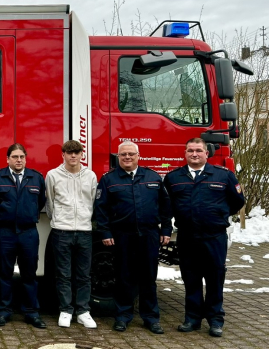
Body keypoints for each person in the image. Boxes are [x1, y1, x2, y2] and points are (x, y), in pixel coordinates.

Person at [164, 138, 245, 338]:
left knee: (215, 278)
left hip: (214, 236)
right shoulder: (174, 178)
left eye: (199, 150)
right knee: (191, 278)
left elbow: (237, 202)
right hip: (187, 236)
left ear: (206, 154)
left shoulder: (223, 176)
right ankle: (192, 318)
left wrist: (216, 216)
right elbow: (167, 206)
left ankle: (215, 320)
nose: (194, 154)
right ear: (185, 154)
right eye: (190, 150)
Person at [94, 141, 172, 334]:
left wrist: (166, 230)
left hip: (149, 234)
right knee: (123, 277)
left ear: (138, 155)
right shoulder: (109, 179)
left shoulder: (153, 177)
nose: (127, 157)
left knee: (148, 278)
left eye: (131, 154)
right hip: (122, 235)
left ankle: (151, 318)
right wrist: (105, 232)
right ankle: (123, 316)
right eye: (123, 155)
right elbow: (101, 209)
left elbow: (165, 206)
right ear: (117, 157)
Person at [0, 143, 47, 329]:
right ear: (7, 159)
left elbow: (41, 200)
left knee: (29, 274)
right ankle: (4, 311)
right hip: (4, 232)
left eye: (21, 157)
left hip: (28, 232)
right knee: (4, 274)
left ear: (25, 159)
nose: (18, 160)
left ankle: (31, 312)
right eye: (15, 157)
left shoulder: (36, 178)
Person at [45, 140, 98, 329]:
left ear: (82, 154)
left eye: (76, 152)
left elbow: (91, 200)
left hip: (84, 231)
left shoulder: (91, 176)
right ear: (63, 155)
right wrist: (60, 220)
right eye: (69, 153)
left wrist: (83, 219)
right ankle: (66, 311)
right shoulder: (53, 175)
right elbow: (50, 203)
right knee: (63, 274)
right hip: (62, 231)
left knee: (84, 274)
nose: (73, 156)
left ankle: (83, 311)